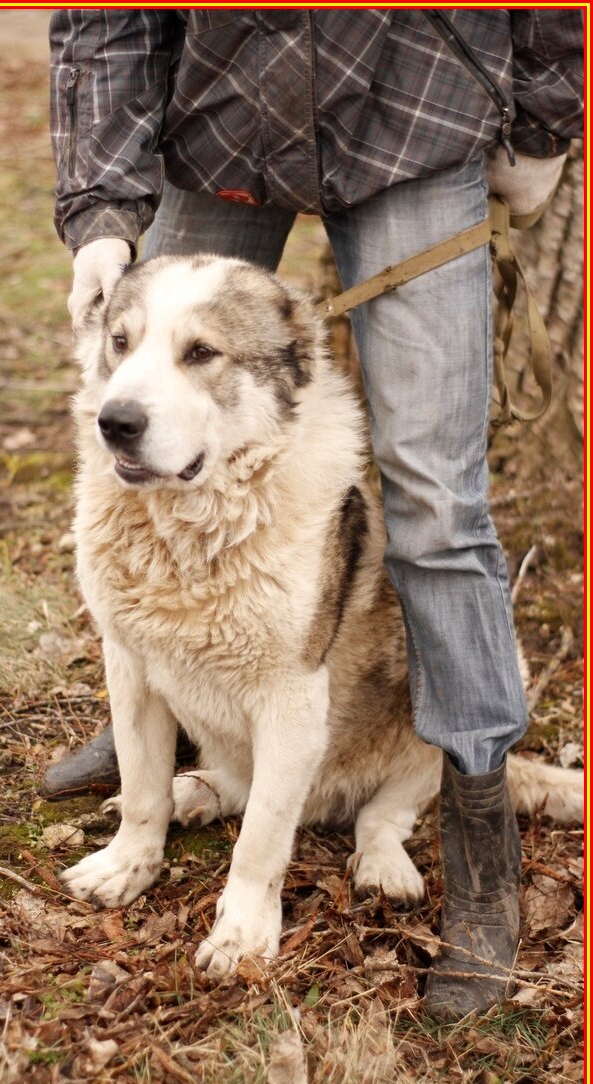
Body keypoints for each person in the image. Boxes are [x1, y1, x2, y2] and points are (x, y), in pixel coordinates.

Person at [47, 9, 582, 1019]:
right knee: (149, 402)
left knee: (434, 496)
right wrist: (102, 212)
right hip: (219, 101)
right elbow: (101, 18)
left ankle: (476, 837)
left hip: (417, 98)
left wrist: (549, 121)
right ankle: (171, 730)